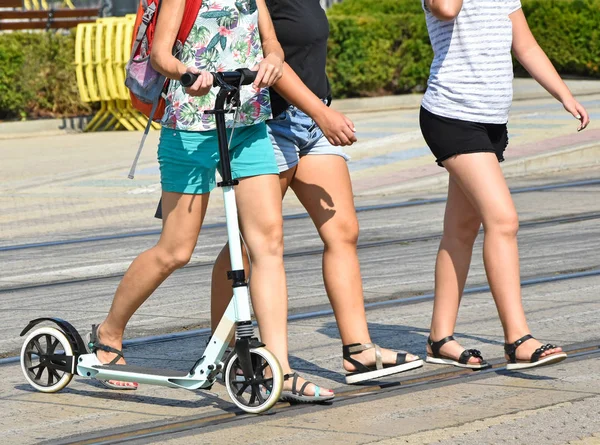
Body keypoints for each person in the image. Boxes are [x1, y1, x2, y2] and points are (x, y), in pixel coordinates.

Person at [210, 0, 423, 400]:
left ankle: (358, 351)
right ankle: (229, 349)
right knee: (252, 243)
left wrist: (319, 113)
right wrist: (323, 115)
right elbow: (268, 60)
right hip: (267, 125)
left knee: (343, 231)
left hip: (311, 118)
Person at [87, 0, 297, 391]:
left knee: (268, 243)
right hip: (188, 127)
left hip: (247, 124)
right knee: (175, 251)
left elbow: (273, 45)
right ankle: (109, 332)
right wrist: (186, 73)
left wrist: (273, 60)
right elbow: (161, 55)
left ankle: (278, 369)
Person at [420, 0, 589, 370]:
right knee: (503, 220)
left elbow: (524, 44)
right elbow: (446, 10)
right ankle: (518, 338)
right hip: (452, 115)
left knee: (461, 229)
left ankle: (439, 338)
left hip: (491, 122)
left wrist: (564, 94)